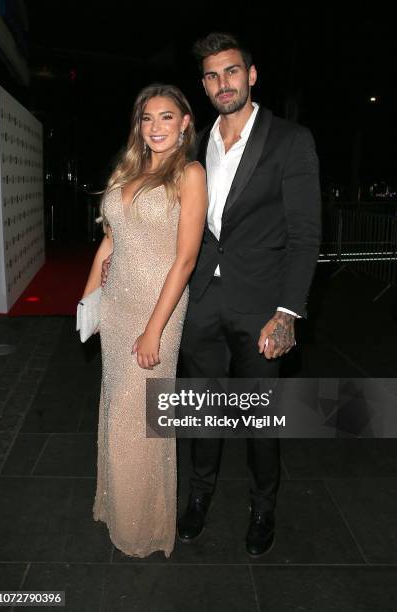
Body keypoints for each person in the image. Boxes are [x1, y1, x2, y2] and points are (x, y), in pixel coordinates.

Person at [176, 32, 321, 556]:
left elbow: (306, 235)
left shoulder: (290, 140)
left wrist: (287, 313)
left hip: (263, 307)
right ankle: (198, 498)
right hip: (201, 305)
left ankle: (264, 507)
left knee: (260, 418)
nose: (223, 84)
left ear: (251, 75)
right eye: (212, 76)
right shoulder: (196, 143)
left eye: (232, 71)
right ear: (205, 85)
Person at [82, 83, 207, 558]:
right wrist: (88, 302)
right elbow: (109, 244)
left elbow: (186, 259)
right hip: (116, 306)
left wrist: (154, 327)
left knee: (143, 417)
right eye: (147, 118)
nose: (156, 127)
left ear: (184, 124)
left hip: (159, 306)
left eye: (166, 117)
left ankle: (141, 527)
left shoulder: (189, 174)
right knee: (118, 409)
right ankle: (115, 505)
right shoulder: (126, 172)